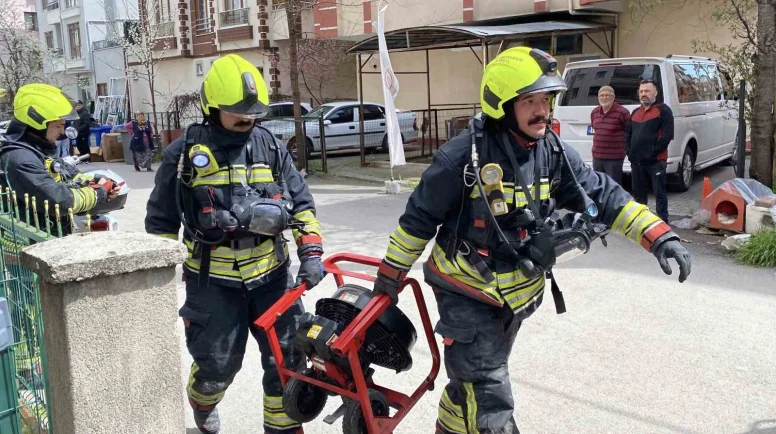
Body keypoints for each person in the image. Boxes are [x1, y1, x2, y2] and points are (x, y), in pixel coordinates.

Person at [371, 47, 692, 434]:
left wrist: (658, 236)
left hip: (517, 295)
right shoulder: (461, 159)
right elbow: (416, 222)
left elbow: (603, 194)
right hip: (466, 291)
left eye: (546, 99)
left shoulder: (550, 150)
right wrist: (388, 280)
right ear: (502, 105)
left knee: (470, 387)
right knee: (490, 397)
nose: (542, 110)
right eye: (529, 101)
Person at [145, 54, 324, 434]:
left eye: (253, 112)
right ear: (213, 107)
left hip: (273, 277)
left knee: (287, 361)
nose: (248, 119)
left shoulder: (271, 148)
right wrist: (155, 283)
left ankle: (282, 428)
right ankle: (202, 399)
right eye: (237, 112)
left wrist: (311, 253)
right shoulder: (183, 155)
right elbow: (161, 222)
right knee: (217, 366)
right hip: (212, 281)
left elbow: (302, 205)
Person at [0, 83, 119, 235]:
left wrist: (97, 180)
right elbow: (60, 200)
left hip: (47, 238)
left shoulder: (37, 151)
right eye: (58, 125)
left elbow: (70, 174)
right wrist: (99, 192)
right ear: (37, 123)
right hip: (27, 248)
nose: (62, 131)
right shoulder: (20, 159)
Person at [625, 79, 674, 223]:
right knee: (639, 194)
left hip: (656, 161)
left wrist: (652, 154)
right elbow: (627, 134)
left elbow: (666, 136)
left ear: (655, 93)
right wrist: (629, 152)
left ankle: (663, 223)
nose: (643, 94)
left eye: (647, 91)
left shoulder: (664, 111)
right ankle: (641, 222)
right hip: (637, 162)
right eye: (641, 91)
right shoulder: (635, 112)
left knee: (660, 194)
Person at [591, 85, 629, 184]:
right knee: (599, 184)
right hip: (597, 156)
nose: (604, 98)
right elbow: (596, 129)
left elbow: (629, 132)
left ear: (613, 97)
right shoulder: (594, 112)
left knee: (613, 185)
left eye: (607, 95)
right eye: (601, 96)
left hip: (614, 157)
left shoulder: (622, 112)